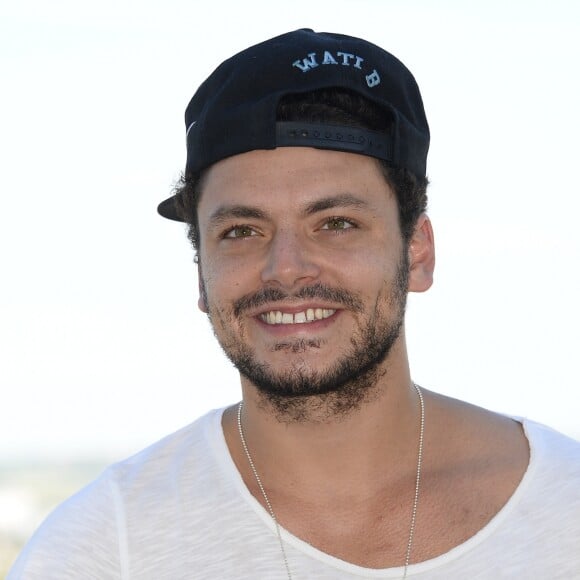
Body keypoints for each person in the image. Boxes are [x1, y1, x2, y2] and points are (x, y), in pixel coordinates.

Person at [9, 28, 580, 580]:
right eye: (241, 231)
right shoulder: (105, 549)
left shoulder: (566, 513)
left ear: (418, 253)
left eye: (336, 223)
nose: (285, 267)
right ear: (201, 274)